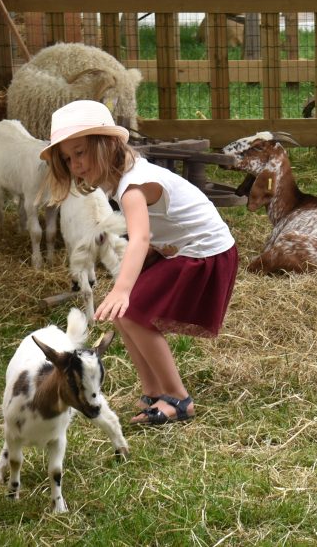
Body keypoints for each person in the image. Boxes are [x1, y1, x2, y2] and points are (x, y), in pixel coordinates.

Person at [41, 100, 239, 425]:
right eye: (67, 158)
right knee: (126, 316)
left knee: (133, 313)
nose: (75, 164)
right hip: (178, 248)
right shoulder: (122, 178)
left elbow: (141, 237)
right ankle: (154, 391)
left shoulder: (133, 185)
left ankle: (178, 399)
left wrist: (123, 288)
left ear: (104, 146)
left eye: (80, 153)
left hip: (205, 254)